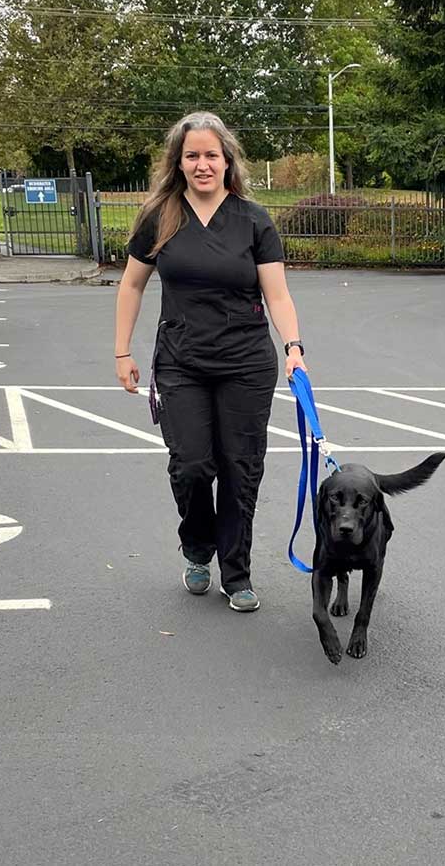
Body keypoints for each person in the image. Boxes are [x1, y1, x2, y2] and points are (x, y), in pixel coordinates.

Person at [114, 112, 306, 612]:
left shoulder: (253, 220)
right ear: (179, 162)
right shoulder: (160, 216)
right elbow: (132, 285)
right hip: (181, 363)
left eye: (211, 155)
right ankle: (198, 548)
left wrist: (294, 348)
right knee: (193, 465)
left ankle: (236, 572)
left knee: (241, 469)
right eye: (192, 155)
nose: (202, 164)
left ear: (227, 161)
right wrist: (122, 351)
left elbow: (278, 295)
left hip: (246, 363)